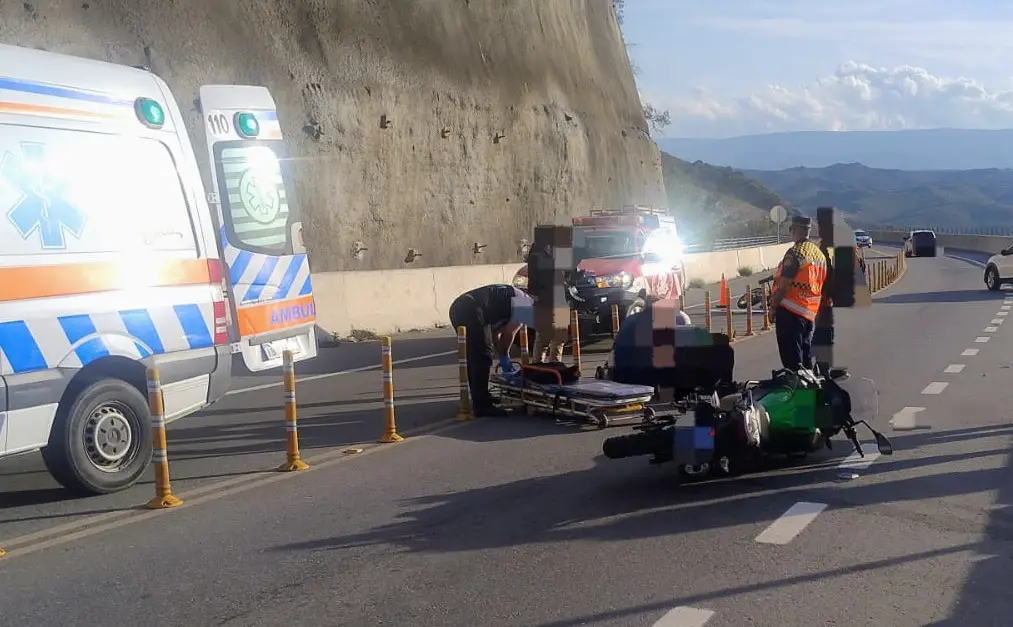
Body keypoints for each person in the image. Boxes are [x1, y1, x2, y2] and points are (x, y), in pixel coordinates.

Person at [448, 284, 533, 417]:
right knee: (482, 355)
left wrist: (502, 355)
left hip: (458, 307)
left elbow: (495, 335)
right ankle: (482, 405)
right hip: (472, 309)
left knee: (474, 354)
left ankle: (481, 396)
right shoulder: (526, 305)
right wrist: (504, 357)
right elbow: (509, 334)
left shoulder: (508, 301)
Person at [768, 215, 829, 371]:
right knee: (805, 359)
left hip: (790, 312)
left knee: (792, 363)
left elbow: (784, 285)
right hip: (808, 314)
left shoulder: (795, 253)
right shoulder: (819, 255)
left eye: (791, 230)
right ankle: (810, 384)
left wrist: (773, 308)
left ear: (795, 230)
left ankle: (798, 385)